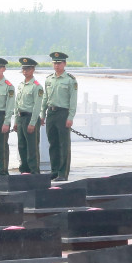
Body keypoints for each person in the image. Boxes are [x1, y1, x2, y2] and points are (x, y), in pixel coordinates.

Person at [44, 51, 78, 180]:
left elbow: (73, 100)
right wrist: (42, 114)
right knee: (53, 143)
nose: (56, 65)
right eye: (54, 63)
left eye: (59, 63)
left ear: (64, 63)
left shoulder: (70, 80)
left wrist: (70, 117)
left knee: (64, 144)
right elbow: (45, 99)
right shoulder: (49, 79)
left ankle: (63, 173)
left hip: (63, 113)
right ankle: (54, 170)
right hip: (51, 113)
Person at [14, 57, 45, 174]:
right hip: (21, 118)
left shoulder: (37, 86)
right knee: (22, 146)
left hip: (30, 117)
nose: (25, 71)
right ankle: (24, 170)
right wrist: (16, 121)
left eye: (27, 69)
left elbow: (37, 107)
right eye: (23, 69)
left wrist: (32, 123)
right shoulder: (21, 85)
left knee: (32, 147)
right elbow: (17, 105)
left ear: (33, 69)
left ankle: (34, 171)